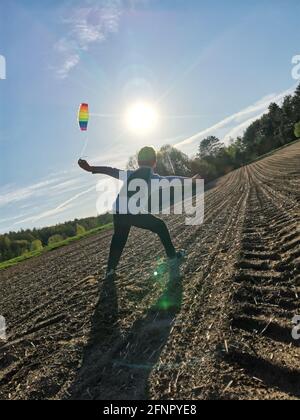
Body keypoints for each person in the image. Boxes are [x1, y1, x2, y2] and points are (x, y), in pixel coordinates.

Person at [78, 146, 199, 279]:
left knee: (119, 239)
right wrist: (190, 180)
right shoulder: (153, 178)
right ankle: (172, 257)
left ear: (138, 161)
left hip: (118, 210)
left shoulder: (129, 174)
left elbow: (110, 171)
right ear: (154, 162)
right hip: (132, 212)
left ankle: (110, 271)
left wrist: (91, 169)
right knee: (160, 226)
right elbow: (171, 180)